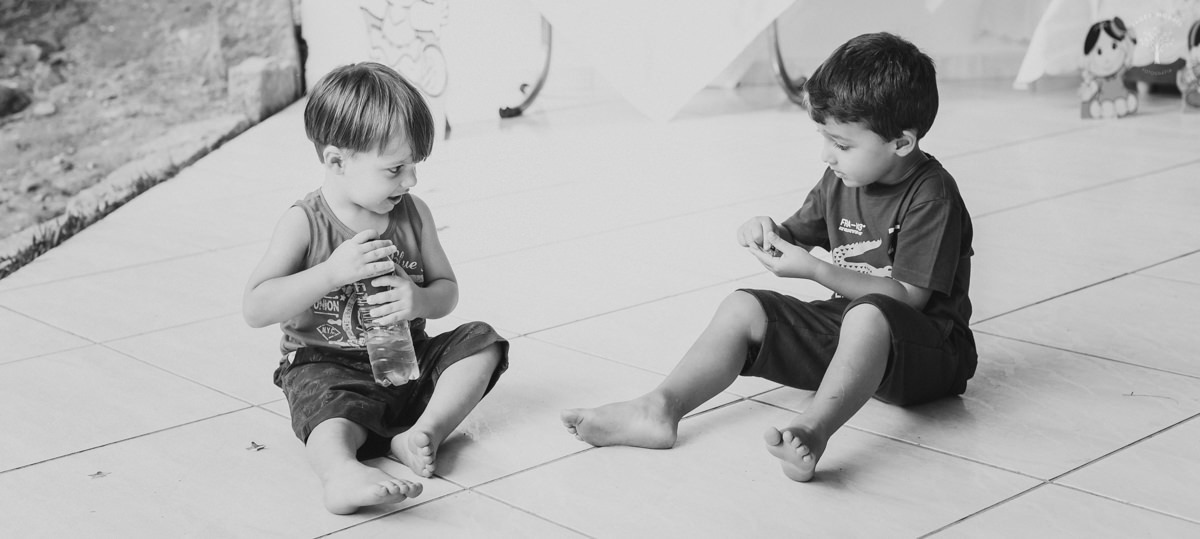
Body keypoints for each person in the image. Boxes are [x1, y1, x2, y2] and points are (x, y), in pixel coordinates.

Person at [561, 32, 975, 483]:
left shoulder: (931, 196)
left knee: (871, 315)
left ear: (901, 143)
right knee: (744, 306)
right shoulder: (841, 179)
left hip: (929, 356)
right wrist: (767, 232)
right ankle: (659, 408)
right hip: (853, 335)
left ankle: (813, 431)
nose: (827, 155)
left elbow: (907, 298)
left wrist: (816, 270)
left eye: (842, 144)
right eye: (824, 137)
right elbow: (797, 231)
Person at [243, 62, 508, 514]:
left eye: (415, 167)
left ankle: (422, 432)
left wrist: (419, 299)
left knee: (483, 342)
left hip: (406, 360)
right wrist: (329, 273)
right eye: (396, 169)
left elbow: (447, 290)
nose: (411, 181)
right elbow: (256, 307)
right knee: (326, 410)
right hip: (328, 369)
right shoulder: (304, 223)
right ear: (337, 161)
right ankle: (341, 471)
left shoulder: (414, 214)